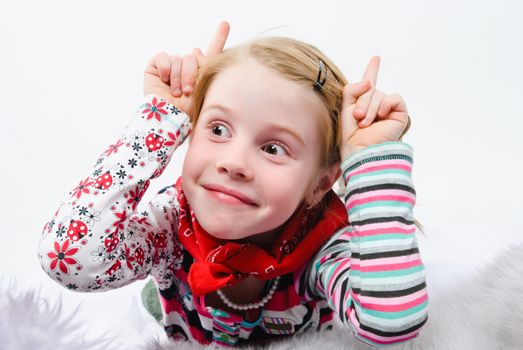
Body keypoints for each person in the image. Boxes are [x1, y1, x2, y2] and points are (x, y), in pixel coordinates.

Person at [38, 21, 428, 347]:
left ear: (320, 184)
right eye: (218, 128)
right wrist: (160, 119)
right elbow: (69, 258)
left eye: (274, 148)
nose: (234, 163)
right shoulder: (173, 224)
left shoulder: (322, 247)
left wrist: (371, 161)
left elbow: (391, 321)